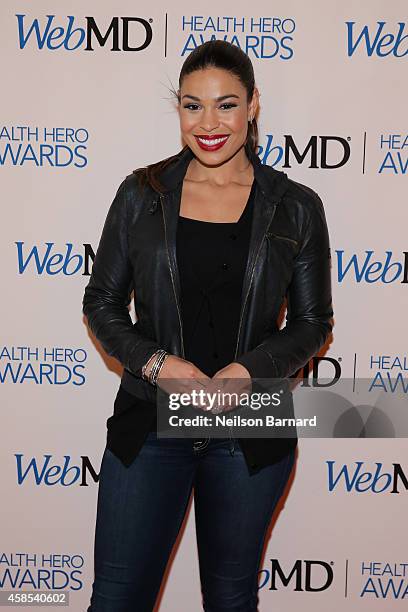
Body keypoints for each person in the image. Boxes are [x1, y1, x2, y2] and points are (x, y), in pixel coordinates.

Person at [83, 39, 333, 612]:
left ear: (253, 106)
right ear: (178, 110)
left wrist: (250, 371)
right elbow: (101, 301)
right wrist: (158, 365)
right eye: (192, 105)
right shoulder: (141, 194)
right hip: (149, 420)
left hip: (251, 425)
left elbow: (314, 323)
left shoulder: (296, 206)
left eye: (226, 104)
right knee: (117, 599)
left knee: (230, 600)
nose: (209, 122)